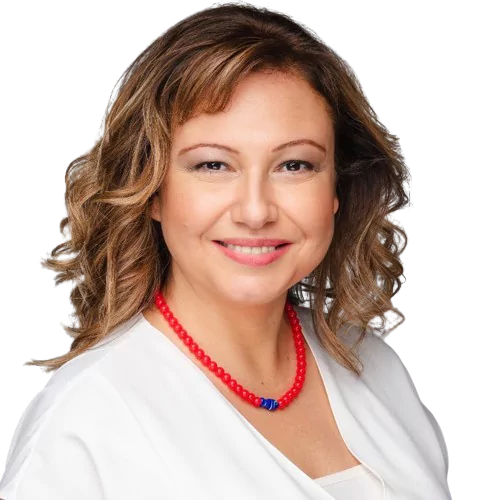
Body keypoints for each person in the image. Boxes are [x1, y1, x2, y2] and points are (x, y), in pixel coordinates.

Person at [0, 4, 450, 499]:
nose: (256, 211)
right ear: (152, 190)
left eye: (294, 165)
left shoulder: (377, 366)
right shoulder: (86, 422)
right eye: (213, 165)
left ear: (336, 190)